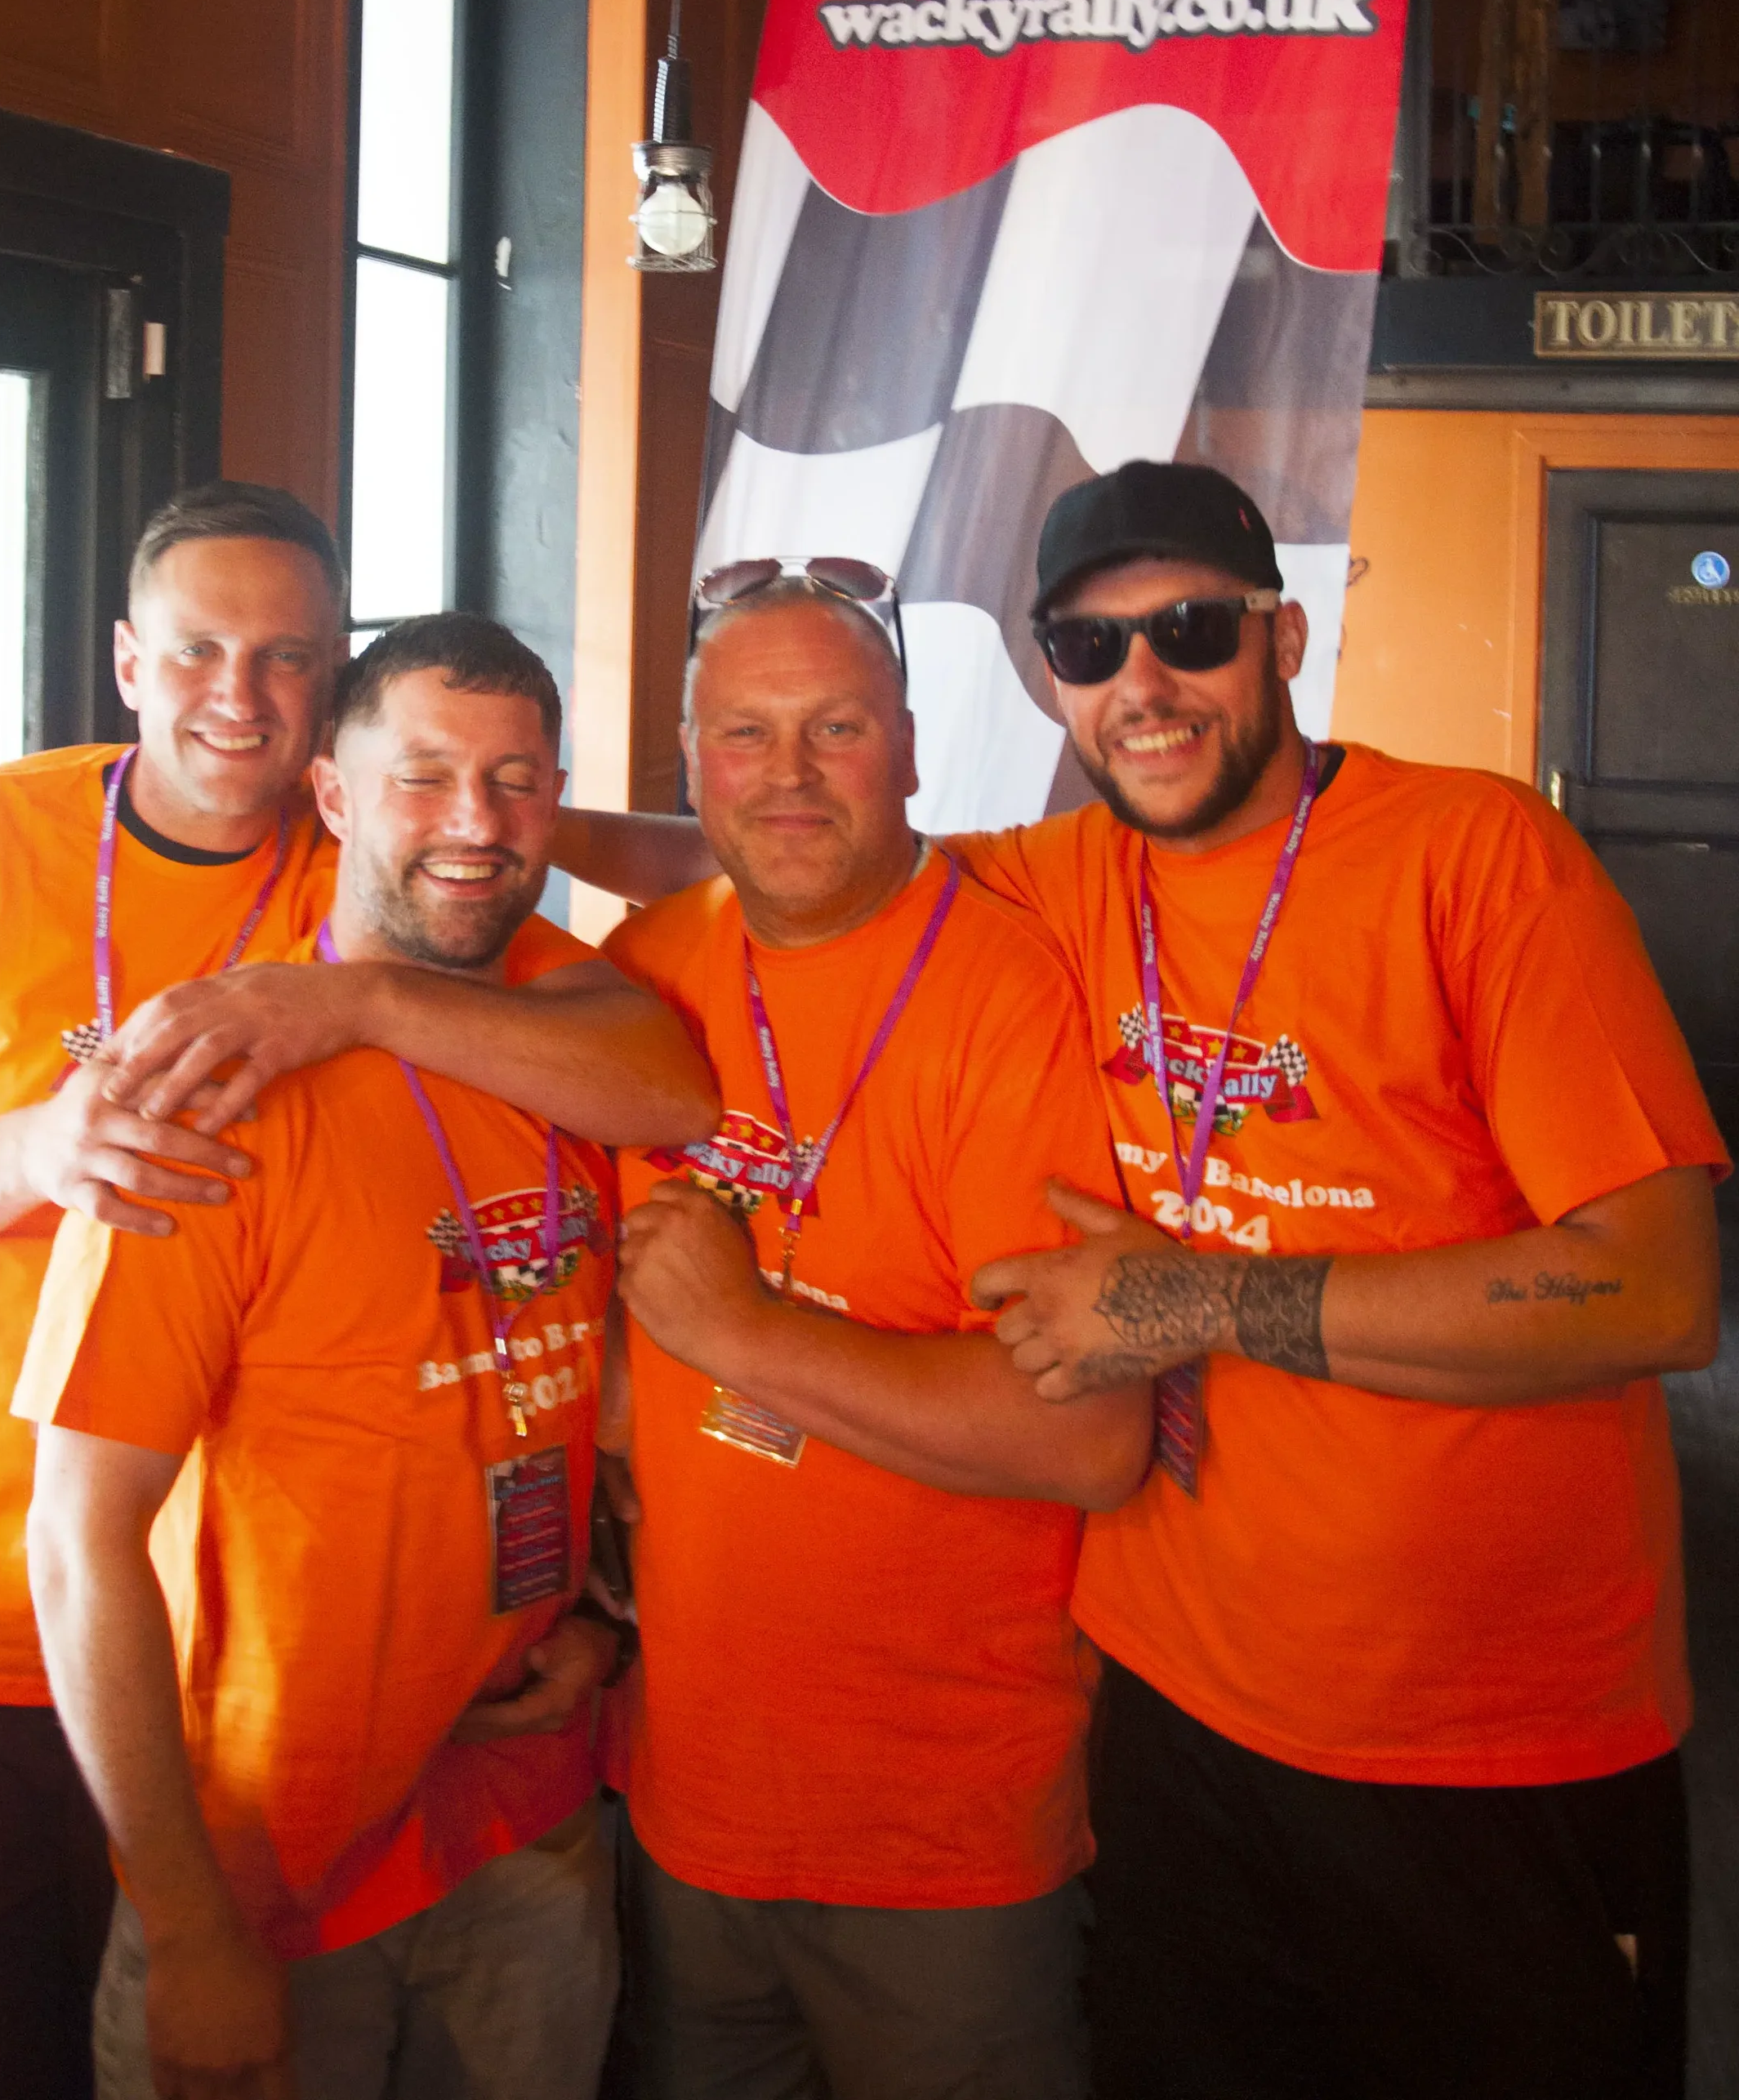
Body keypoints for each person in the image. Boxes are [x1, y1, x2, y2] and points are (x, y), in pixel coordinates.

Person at [555, 474, 1728, 2099]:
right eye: (1091, 646)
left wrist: (1206, 1305)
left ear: (1284, 639)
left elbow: (1655, 1294)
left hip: (1479, 1734)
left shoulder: (1472, 856)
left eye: (1189, 629)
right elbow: (788, 837)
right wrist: (488, 829)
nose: (1144, 683)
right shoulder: (1063, 874)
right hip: (1173, 1719)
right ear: (1050, 680)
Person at [0, 489, 711, 2100]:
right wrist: (41, 1149)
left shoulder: (372, 865)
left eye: (288, 657)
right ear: (128, 661)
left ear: (329, 697)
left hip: (252, 1651)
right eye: (200, 649)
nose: (241, 695)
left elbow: (651, 1056)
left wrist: (360, 997)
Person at [18, 617, 627, 2100]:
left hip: (528, 1818)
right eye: (423, 776)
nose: (476, 822)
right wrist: (189, 1931)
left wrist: (611, 1623)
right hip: (267, 1864)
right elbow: (78, 1540)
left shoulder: (573, 1045)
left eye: (516, 780)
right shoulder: (209, 1099)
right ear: (336, 797)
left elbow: (590, 1400)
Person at [600, 571, 1152, 2100]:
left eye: (835, 728)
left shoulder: (1006, 990)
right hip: (684, 1801)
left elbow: (1090, 1440)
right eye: (744, 733)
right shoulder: (640, 973)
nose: (787, 773)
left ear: (908, 747)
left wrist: (743, 1334)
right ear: (690, 759)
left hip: (942, 1836)